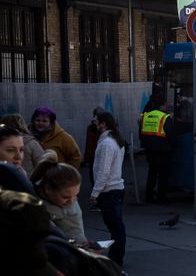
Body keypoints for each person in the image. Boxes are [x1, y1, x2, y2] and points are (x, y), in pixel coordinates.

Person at [91, 111, 127, 267]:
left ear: (103, 123)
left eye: (95, 121)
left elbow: (104, 171)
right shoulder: (115, 140)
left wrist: (95, 193)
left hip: (109, 190)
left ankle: (116, 259)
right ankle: (116, 257)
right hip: (115, 188)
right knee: (117, 226)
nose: (94, 124)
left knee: (116, 227)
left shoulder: (106, 144)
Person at [33, 161, 90, 247]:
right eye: (65, 197)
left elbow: (75, 229)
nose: (72, 201)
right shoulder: (36, 209)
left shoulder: (69, 195)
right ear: (48, 189)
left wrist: (85, 244)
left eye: (76, 195)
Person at [138, 96, 174, 203]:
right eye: (166, 104)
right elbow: (170, 135)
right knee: (163, 174)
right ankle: (161, 197)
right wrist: (172, 146)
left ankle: (149, 196)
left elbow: (141, 134)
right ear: (162, 105)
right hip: (163, 150)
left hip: (149, 150)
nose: (167, 106)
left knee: (152, 172)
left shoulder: (146, 116)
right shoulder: (165, 117)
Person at [0, 113, 51, 178]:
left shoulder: (31, 142)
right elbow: (43, 165)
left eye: (21, 150)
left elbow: (43, 166)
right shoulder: (32, 143)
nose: (19, 157)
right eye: (10, 150)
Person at [81, 107, 104, 187]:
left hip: (100, 156)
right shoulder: (91, 128)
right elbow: (89, 144)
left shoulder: (103, 127)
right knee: (94, 178)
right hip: (93, 157)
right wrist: (87, 159)